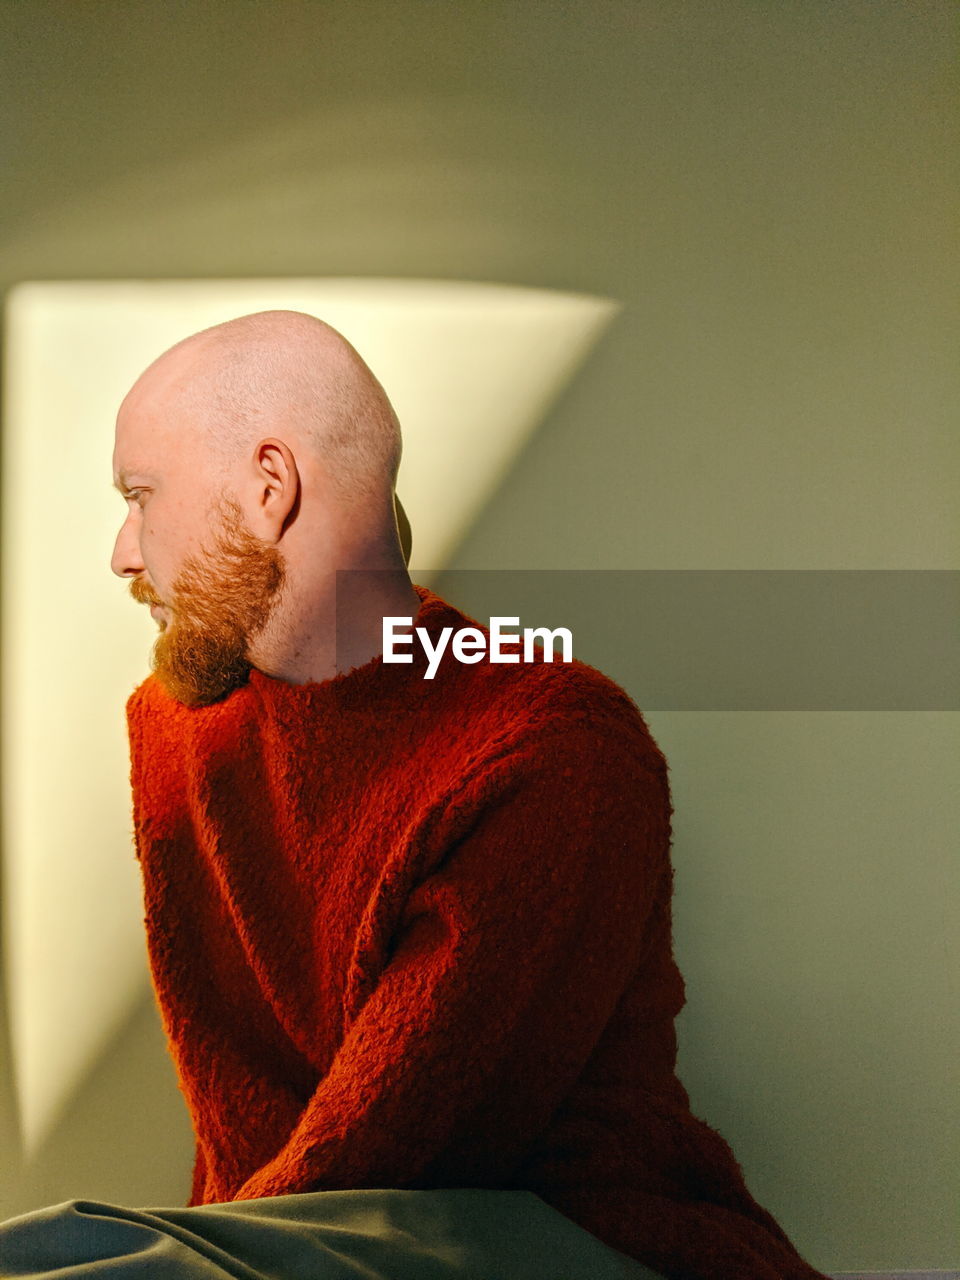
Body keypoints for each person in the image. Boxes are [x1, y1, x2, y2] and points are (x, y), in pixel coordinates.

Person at [0, 311, 830, 1280]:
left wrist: (204, 1255)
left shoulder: (552, 738)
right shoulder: (180, 725)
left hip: (576, 1228)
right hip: (301, 1236)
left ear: (270, 487)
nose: (124, 552)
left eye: (142, 497)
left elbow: (417, 1136)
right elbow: (240, 1119)